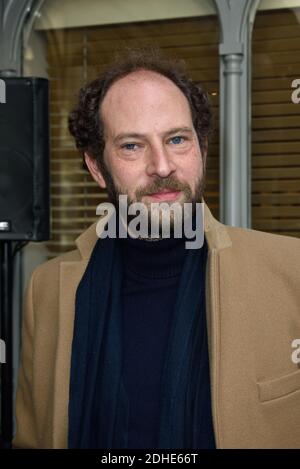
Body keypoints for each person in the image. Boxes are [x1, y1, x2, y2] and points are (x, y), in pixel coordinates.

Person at [13, 49, 300, 449]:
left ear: (201, 148)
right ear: (97, 167)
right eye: (132, 146)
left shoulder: (291, 273)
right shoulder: (45, 291)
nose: (162, 166)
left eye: (177, 139)